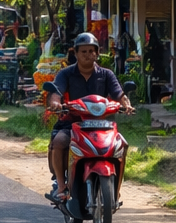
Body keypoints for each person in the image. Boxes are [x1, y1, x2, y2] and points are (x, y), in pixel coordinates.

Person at [45, 33, 134, 202]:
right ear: (76, 53)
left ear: (97, 53)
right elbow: (56, 92)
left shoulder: (106, 74)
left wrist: (126, 104)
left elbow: (119, 93)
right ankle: (62, 185)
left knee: (122, 144)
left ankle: (116, 188)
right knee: (59, 141)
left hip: (101, 124)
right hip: (72, 123)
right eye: (84, 51)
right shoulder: (66, 74)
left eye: (92, 51)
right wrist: (56, 103)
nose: (88, 55)